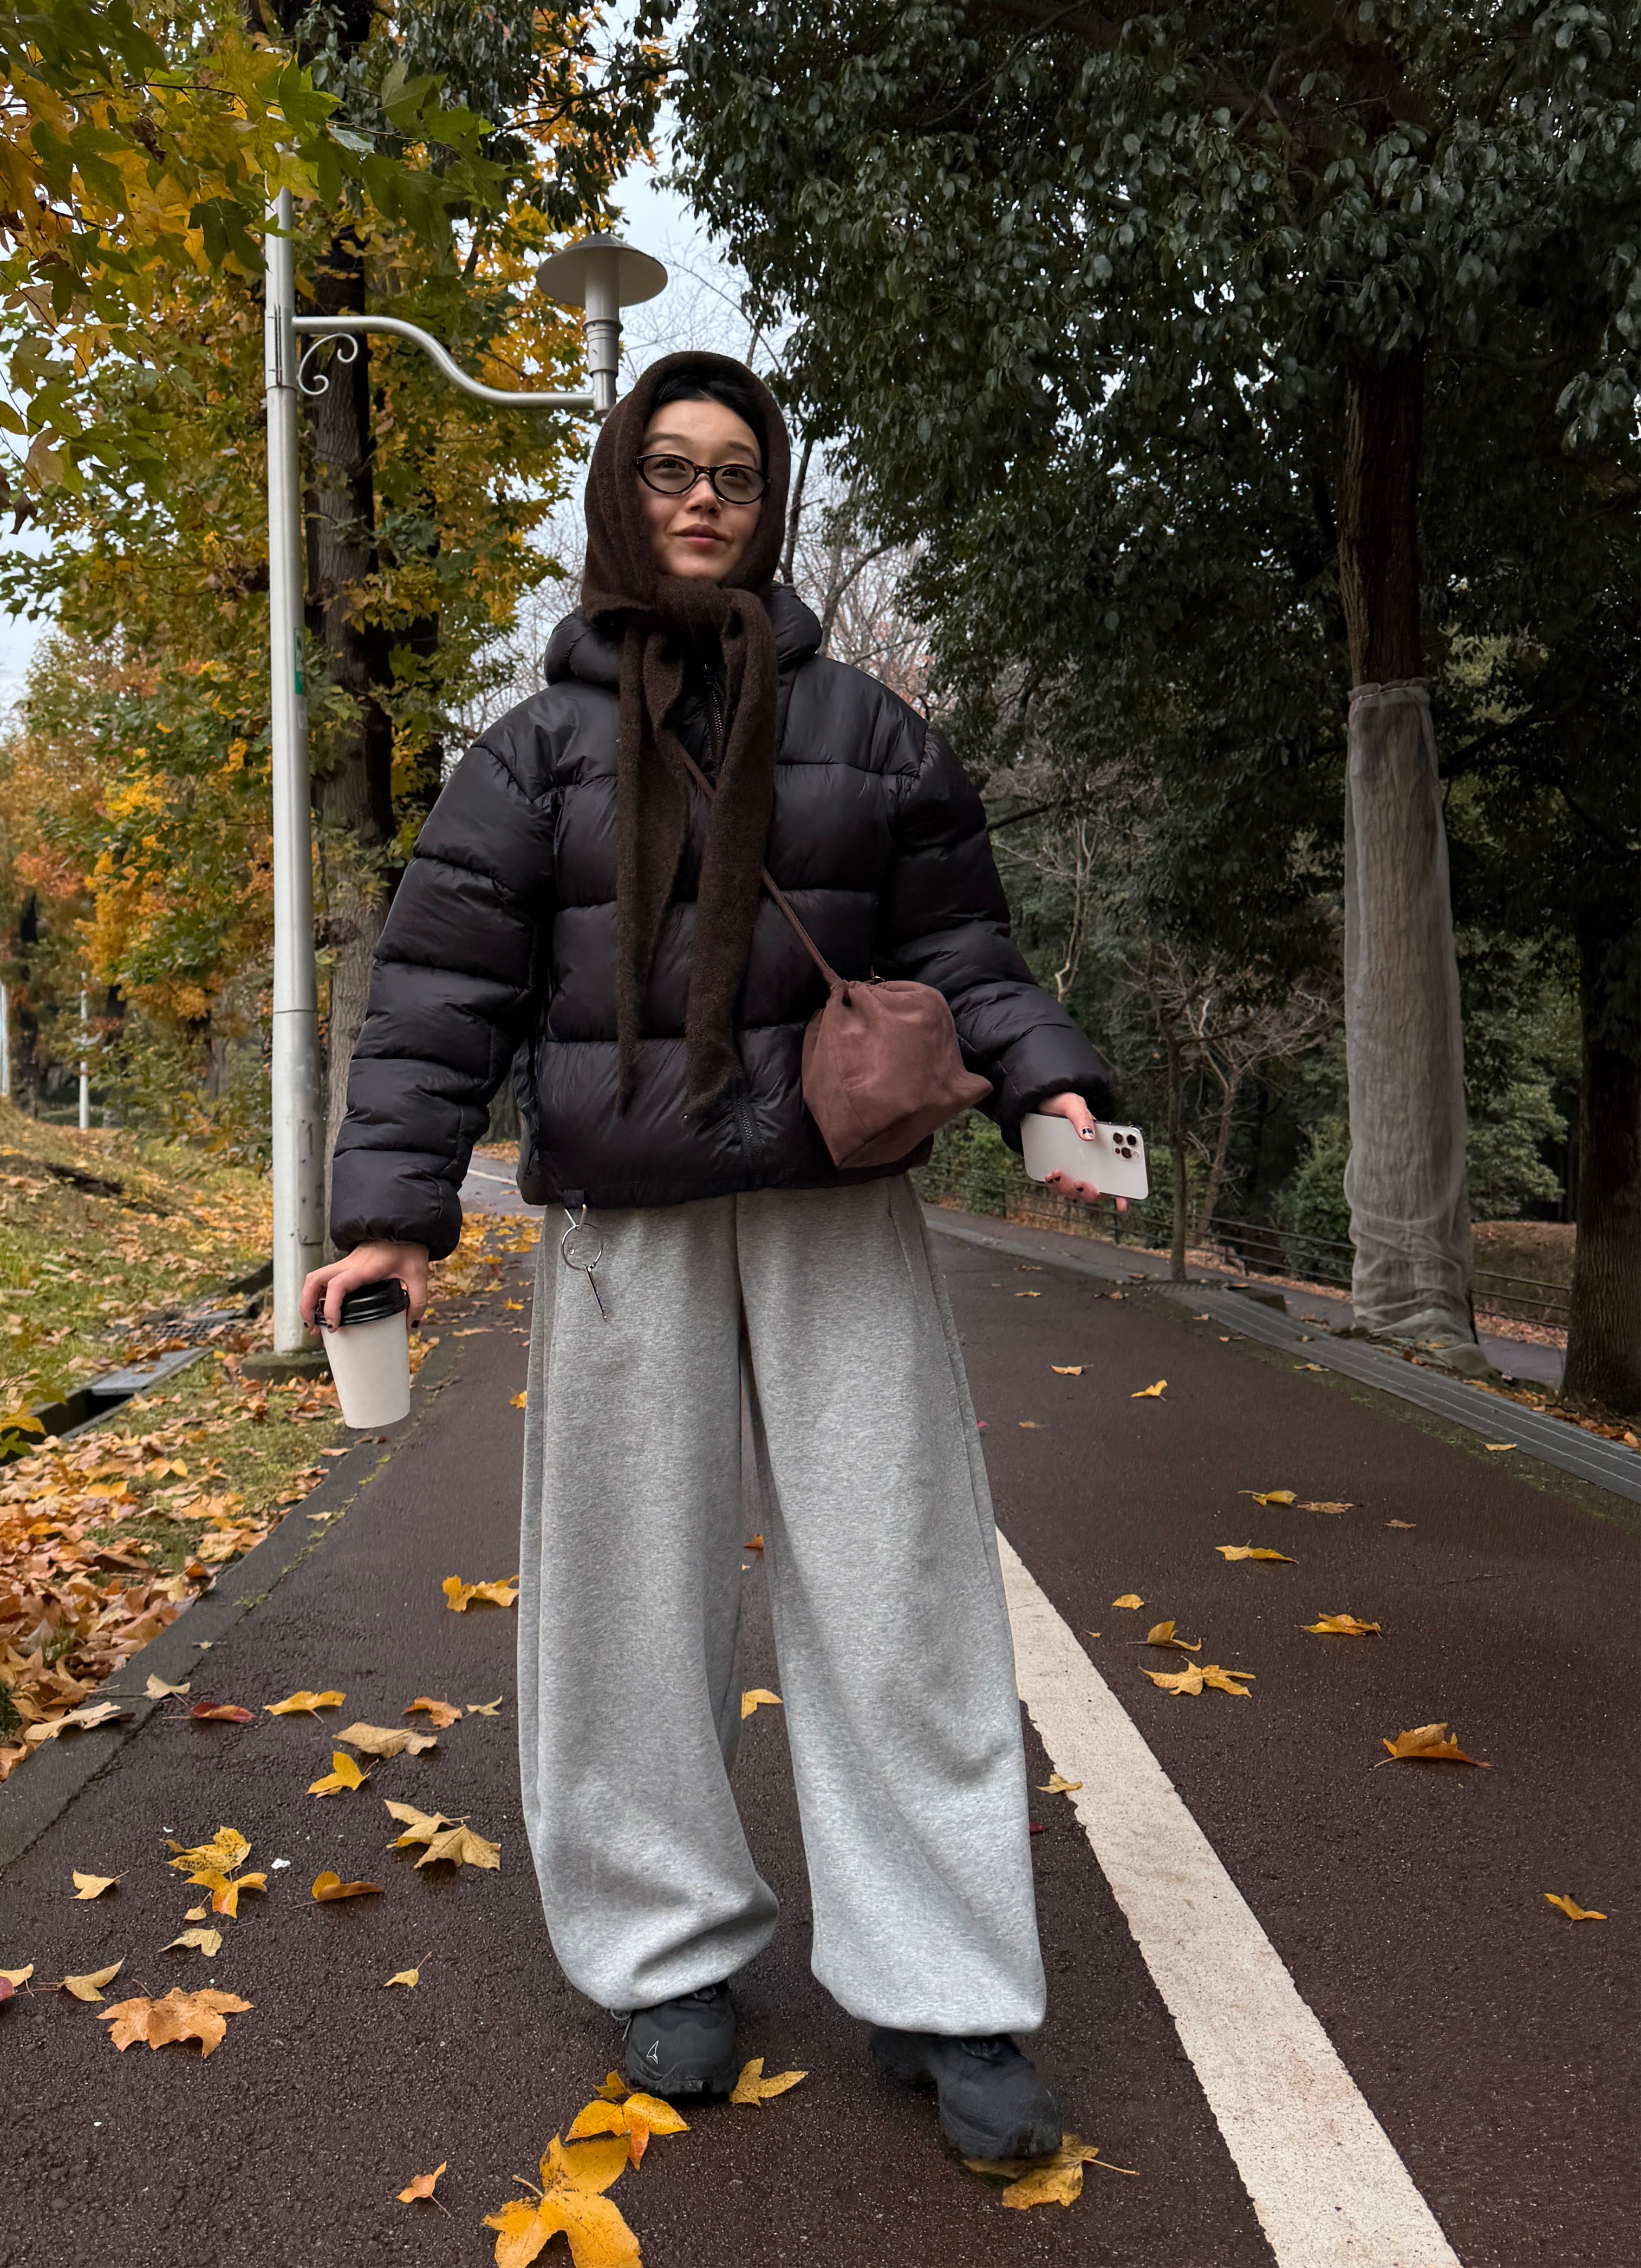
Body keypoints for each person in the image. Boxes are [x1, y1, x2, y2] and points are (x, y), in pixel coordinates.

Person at [303, 351, 1121, 2161]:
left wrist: (1050, 1086)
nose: (701, 499)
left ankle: (949, 1985)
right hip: (624, 1229)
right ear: (624, 491)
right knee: (622, 1599)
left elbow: (966, 952)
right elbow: (437, 998)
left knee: (902, 1590)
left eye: (735, 474)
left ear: (771, 504)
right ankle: (665, 1948)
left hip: (837, 1204)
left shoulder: (874, 734)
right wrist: (389, 1223)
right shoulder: (530, 756)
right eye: (669, 468)